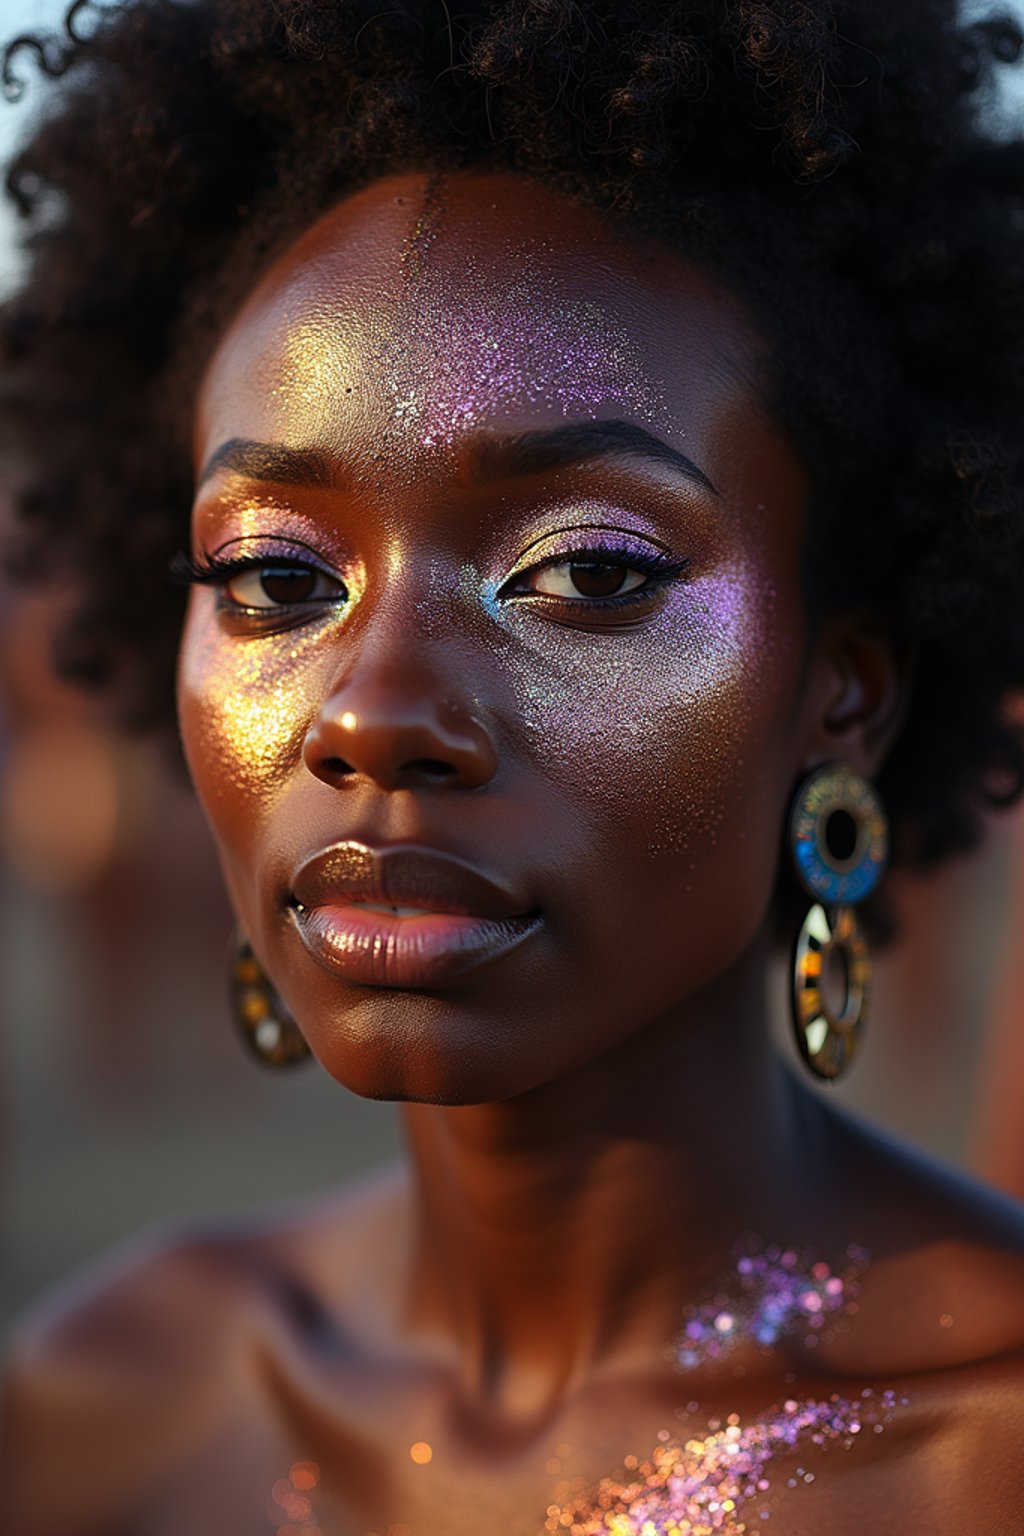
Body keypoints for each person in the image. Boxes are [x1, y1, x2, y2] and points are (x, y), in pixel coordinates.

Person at [2, 1, 1024, 1531]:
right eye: (279, 581)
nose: (374, 713)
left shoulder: (982, 1461)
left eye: (589, 573)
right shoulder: (105, 1397)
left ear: (844, 693)